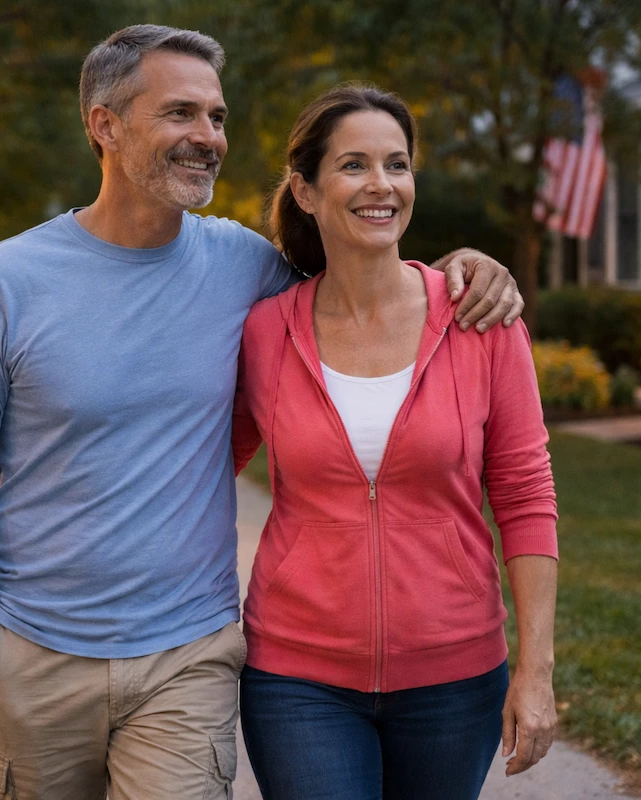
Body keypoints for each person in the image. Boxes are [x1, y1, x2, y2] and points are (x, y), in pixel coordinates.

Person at [0, 25, 523, 800]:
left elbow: (360, 282)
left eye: (217, 117)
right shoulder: (4, 282)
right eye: (181, 113)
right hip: (36, 654)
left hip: (188, 658)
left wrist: (464, 270)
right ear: (105, 125)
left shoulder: (243, 267)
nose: (208, 137)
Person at [231, 84, 559, 800]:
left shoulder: (480, 320)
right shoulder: (264, 332)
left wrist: (536, 672)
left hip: (455, 678)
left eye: (397, 164)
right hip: (296, 678)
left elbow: (526, 494)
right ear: (306, 191)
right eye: (353, 165)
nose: (381, 184)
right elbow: (201, 464)